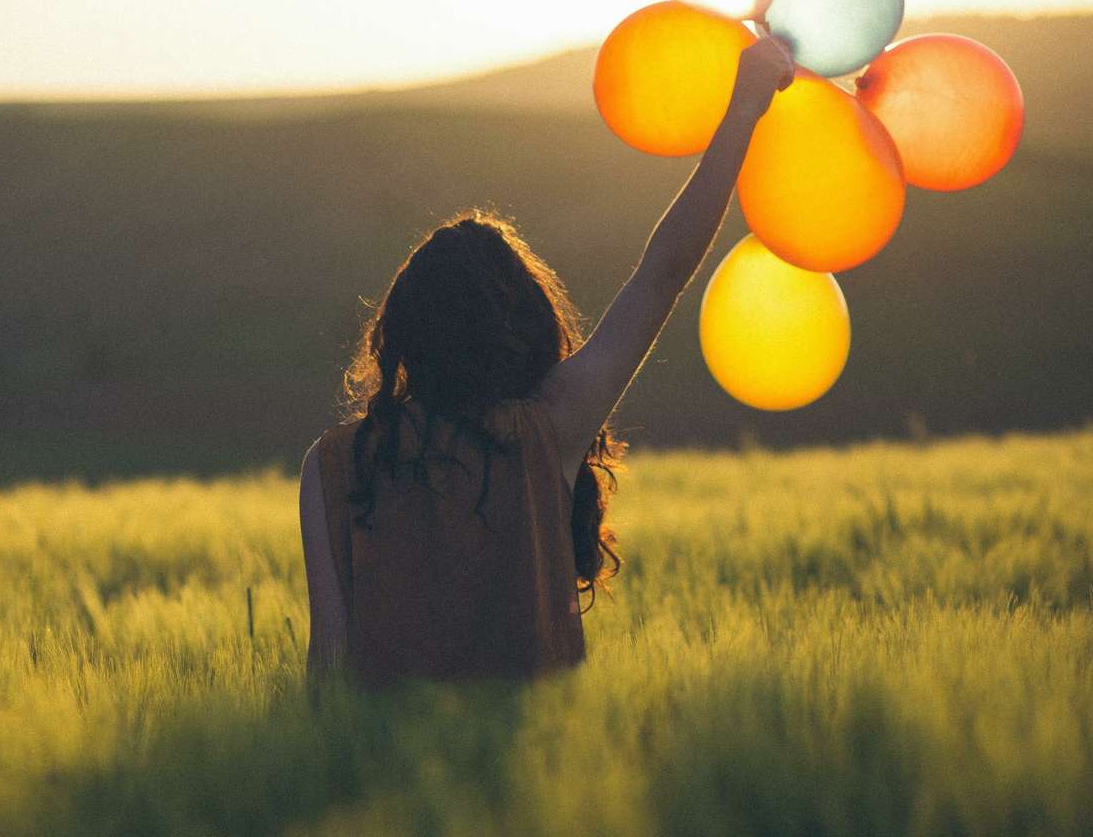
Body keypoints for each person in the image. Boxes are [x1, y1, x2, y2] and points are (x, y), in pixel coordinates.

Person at [299, 35, 795, 687]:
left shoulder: (335, 464)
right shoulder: (547, 430)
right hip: (539, 776)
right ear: (523, 325)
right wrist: (745, 106)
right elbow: (663, 273)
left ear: (403, 332)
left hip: (387, 780)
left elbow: (329, 661)